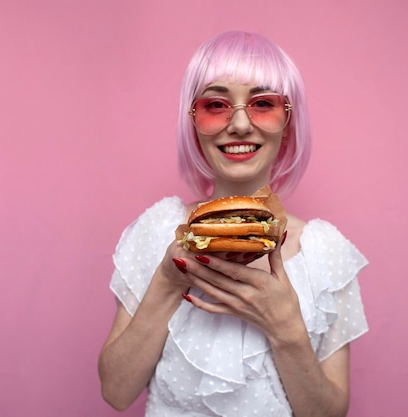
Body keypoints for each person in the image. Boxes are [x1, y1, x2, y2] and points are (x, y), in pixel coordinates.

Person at [98, 31, 369, 417]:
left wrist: (286, 328)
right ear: (193, 122)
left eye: (262, 103)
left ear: (289, 122)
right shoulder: (158, 229)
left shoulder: (326, 253)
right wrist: (167, 281)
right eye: (216, 104)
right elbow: (116, 391)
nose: (240, 124)